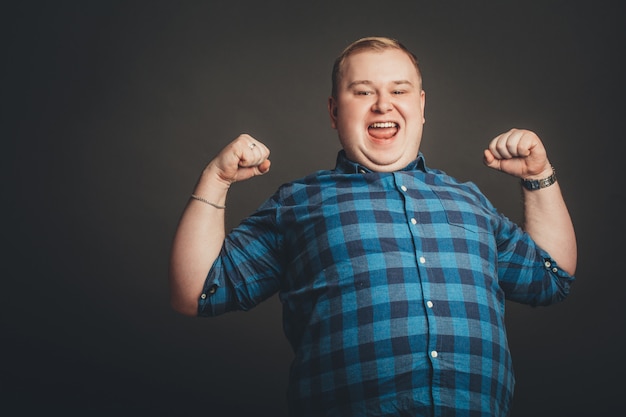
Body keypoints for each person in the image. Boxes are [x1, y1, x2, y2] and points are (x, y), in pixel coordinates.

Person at [169, 36, 576, 416]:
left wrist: (538, 176)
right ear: (333, 111)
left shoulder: (469, 201)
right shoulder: (297, 203)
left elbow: (551, 276)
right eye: (363, 91)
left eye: (398, 91)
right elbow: (197, 292)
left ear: (421, 106)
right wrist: (216, 179)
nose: (383, 104)